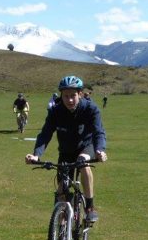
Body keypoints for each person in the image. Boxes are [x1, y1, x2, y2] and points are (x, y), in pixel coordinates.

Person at [25, 75, 107, 222]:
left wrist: (100, 150)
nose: (69, 100)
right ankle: (61, 227)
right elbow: (45, 134)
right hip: (66, 151)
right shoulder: (56, 111)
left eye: (73, 96)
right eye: (66, 96)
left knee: (83, 162)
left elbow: (98, 132)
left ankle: (89, 207)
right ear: (61, 95)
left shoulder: (90, 109)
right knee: (62, 189)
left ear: (80, 94)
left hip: (86, 146)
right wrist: (36, 155)